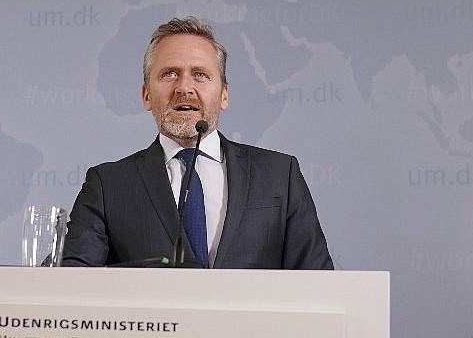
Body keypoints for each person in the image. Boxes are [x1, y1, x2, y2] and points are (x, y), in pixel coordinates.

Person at [61, 16, 333, 269]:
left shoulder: (279, 175)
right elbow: (70, 282)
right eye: (169, 74)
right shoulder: (108, 185)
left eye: (200, 75)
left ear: (224, 95)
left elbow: (317, 282)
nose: (184, 88)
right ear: (146, 95)